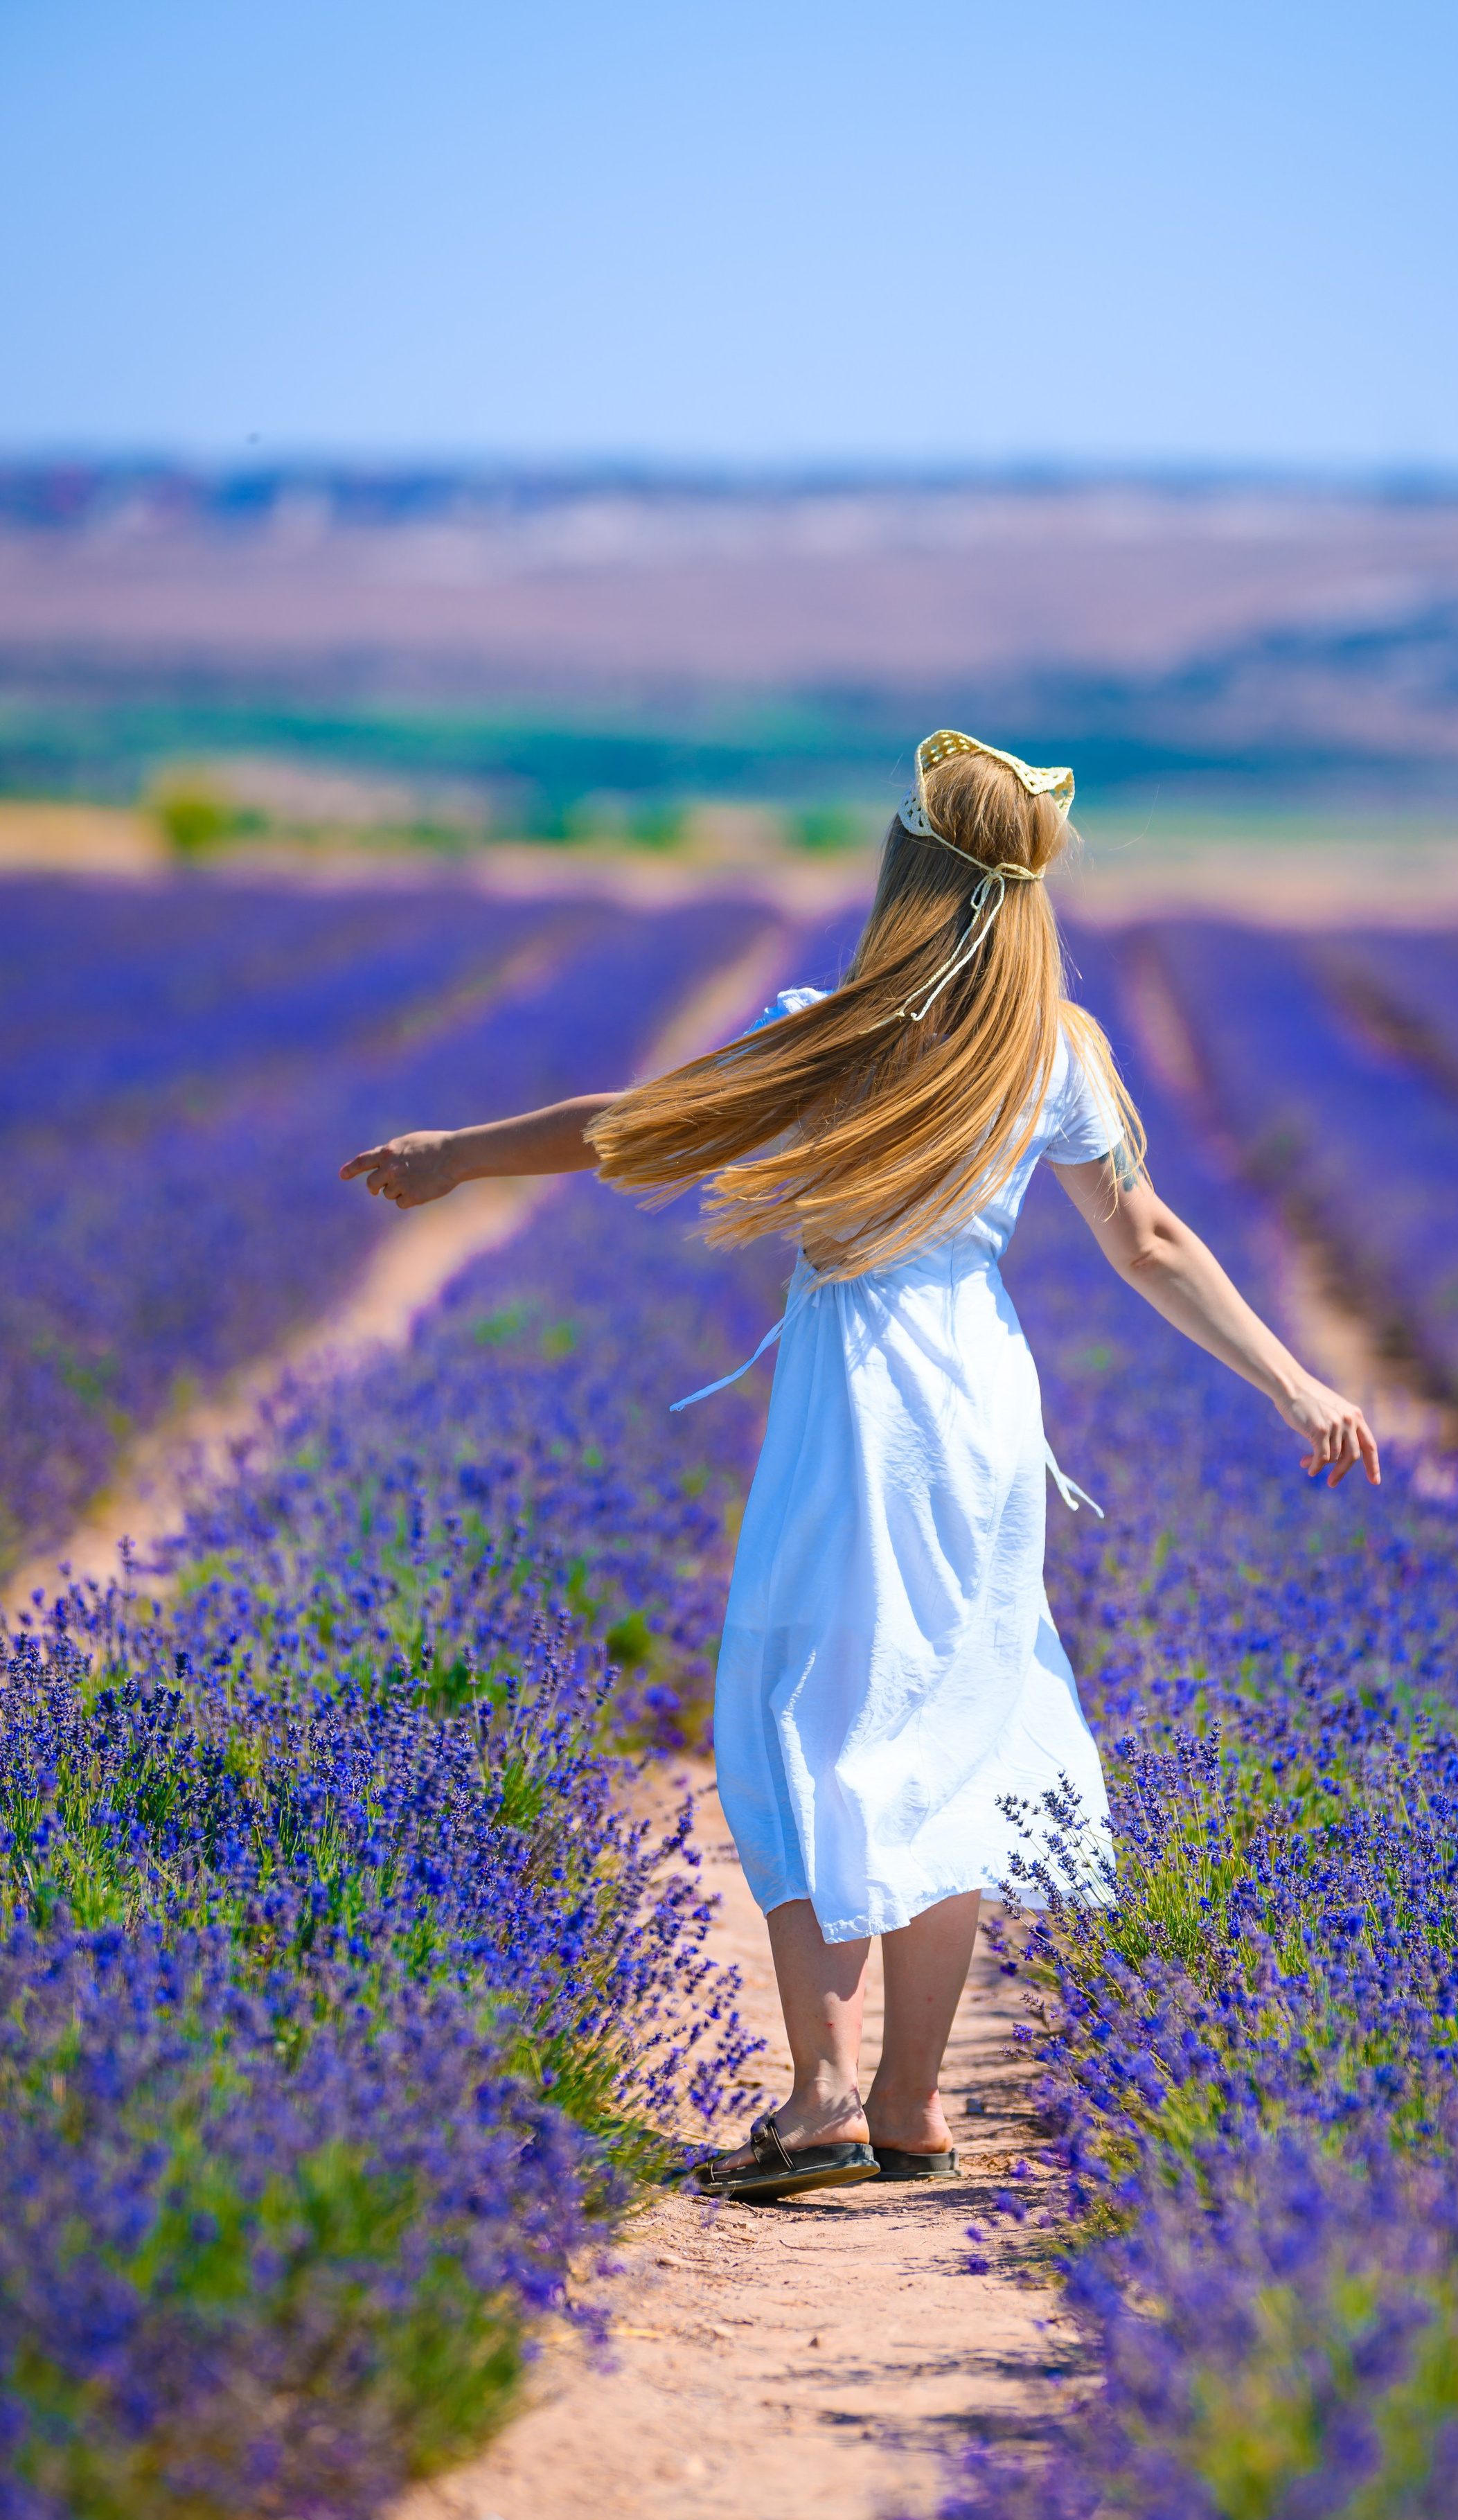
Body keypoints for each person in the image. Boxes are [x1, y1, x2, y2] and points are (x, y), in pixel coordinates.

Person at [341, 730, 1380, 2206]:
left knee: (807, 1714)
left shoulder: (825, 1026)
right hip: (983, 1396)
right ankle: (911, 2105)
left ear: (906, 873)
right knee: (953, 1719)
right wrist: (1296, 1384)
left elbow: (629, 1129)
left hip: (860, 1394)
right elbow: (1148, 1238)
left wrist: (457, 1153)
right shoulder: (1055, 1048)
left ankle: (823, 2100)